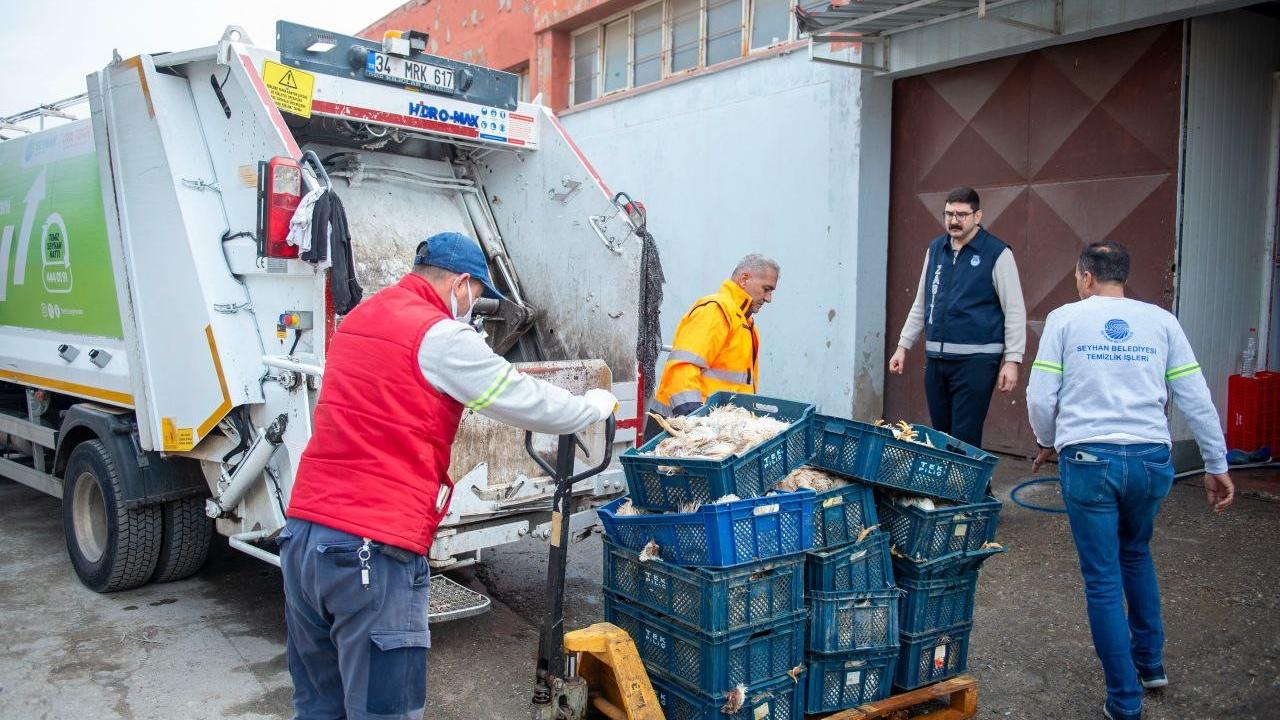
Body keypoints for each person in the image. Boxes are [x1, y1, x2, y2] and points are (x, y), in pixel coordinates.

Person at [278, 231, 619, 720]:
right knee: (383, 711)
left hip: (304, 540)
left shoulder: (359, 320)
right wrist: (590, 407)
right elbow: (520, 397)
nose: (474, 307)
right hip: (372, 549)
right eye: (476, 294)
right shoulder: (439, 335)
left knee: (317, 708)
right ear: (460, 284)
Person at [1026, 241, 1234, 720]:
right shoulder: (1161, 321)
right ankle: (1150, 664)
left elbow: (1040, 397)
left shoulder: (1064, 319)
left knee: (1102, 579)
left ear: (1086, 277)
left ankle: (1123, 701)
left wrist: (1047, 440)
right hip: (1150, 461)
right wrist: (1216, 463)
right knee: (1136, 553)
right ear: (1122, 276)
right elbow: (1195, 395)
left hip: (1089, 460)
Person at [888, 186, 1026, 447]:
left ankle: (968, 476)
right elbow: (922, 302)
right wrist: (902, 346)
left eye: (962, 214)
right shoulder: (935, 249)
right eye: (949, 214)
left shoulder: (997, 253)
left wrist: (1012, 360)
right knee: (941, 436)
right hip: (937, 360)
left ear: (977, 216)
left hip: (976, 361)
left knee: (965, 437)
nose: (954, 220)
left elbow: (1015, 309)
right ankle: (946, 476)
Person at [647, 254, 779, 438]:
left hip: (712, 431)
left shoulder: (745, 323)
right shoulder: (716, 310)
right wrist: (694, 420)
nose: (769, 298)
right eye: (766, 289)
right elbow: (682, 368)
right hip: (679, 430)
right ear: (744, 279)